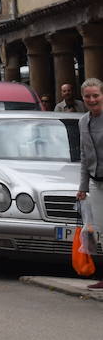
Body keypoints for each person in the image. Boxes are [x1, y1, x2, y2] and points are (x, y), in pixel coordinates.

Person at [75, 78, 103, 289]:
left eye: (96, 95)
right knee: (98, 230)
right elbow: (85, 156)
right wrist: (83, 187)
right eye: (87, 96)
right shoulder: (83, 121)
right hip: (95, 181)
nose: (92, 100)